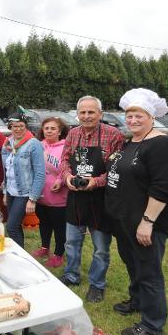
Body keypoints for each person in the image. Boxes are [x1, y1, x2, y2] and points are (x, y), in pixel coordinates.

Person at [106, 89, 168, 335]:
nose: (133, 120)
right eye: (129, 115)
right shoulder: (133, 141)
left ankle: (152, 325)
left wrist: (147, 222)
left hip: (145, 222)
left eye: (139, 115)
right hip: (125, 219)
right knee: (133, 264)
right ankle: (137, 301)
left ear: (151, 117)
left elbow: (163, 188)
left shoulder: (161, 145)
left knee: (149, 272)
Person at [59, 96, 125, 303]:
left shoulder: (113, 135)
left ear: (100, 114)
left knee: (101, 249)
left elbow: (117, 170)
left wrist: (95, 181)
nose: (86, 116)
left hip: (101, 199)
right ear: (77, 114)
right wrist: (67, 177)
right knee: (71, 242)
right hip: (76, 197)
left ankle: (97, 284)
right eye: (83, 112)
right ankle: (71, 275)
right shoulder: (73, 133)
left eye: (91, 112)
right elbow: (64, 160)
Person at [0, 111, 45, 248]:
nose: (18, 129)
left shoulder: (34, 144)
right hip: (11, 191)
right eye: (15, 126)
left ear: (26, 126)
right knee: (14, 225)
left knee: (12, 226)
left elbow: (40, 173)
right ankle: (18, 251)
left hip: (24, 193)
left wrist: (33, 199)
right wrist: (5, 192)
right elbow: (6, 170)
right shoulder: (8, 142)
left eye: (21, 126)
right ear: (10, 127)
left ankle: (20, 255)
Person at [32, 117, 70, 268]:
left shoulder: (66, 146)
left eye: (53, 128)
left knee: (59, 226)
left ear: (59, 131)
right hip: (40, 194)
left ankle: (58, 254)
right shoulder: (38, 145)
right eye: (46, 128)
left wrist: (60, 181)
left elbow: (68, 167)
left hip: (58, 195)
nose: (49, 131)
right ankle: (44, 247)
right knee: (44, 223)